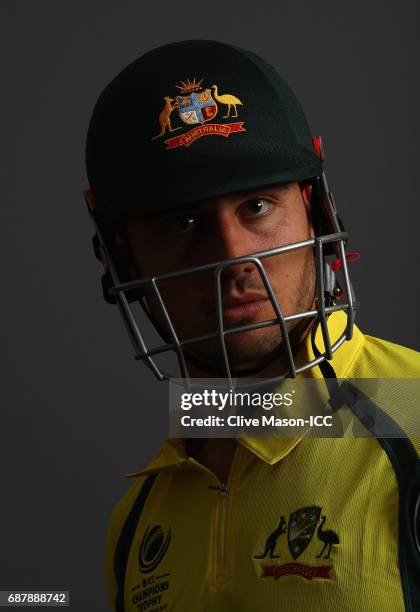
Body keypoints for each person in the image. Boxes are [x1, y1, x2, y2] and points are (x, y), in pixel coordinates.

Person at [84, 40, 420, 612]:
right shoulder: (138, 520)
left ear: (318, 214)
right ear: (126, 262)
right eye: (182, 221)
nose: (234, 256)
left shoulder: (412, 418)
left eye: (258, 206)